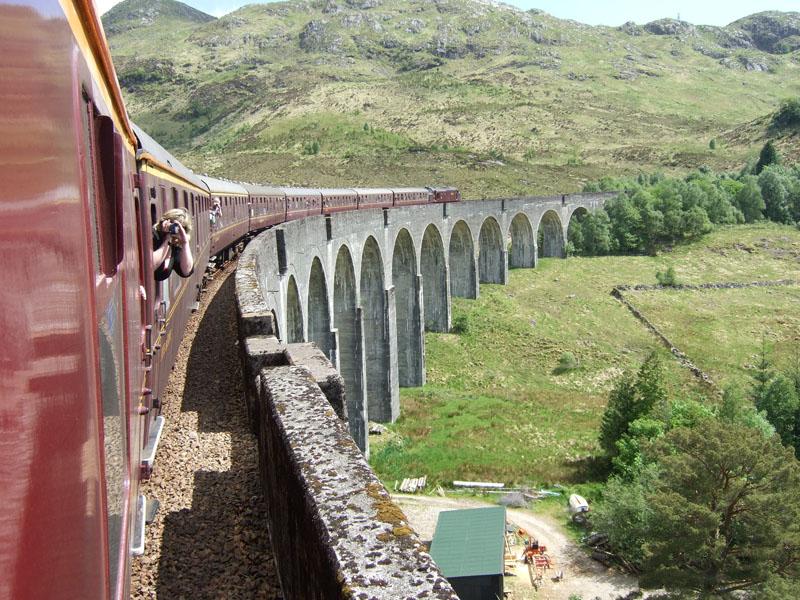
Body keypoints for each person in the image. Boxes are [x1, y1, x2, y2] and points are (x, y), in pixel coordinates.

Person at [153, 208, 194, 281]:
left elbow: (186, 271)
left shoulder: (175, 247)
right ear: (165, 222)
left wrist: (185, 243)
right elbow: (150, 265)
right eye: (175, 226)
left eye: (181, 228)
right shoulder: (153, 237)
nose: (176, 230)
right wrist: (167, 239)